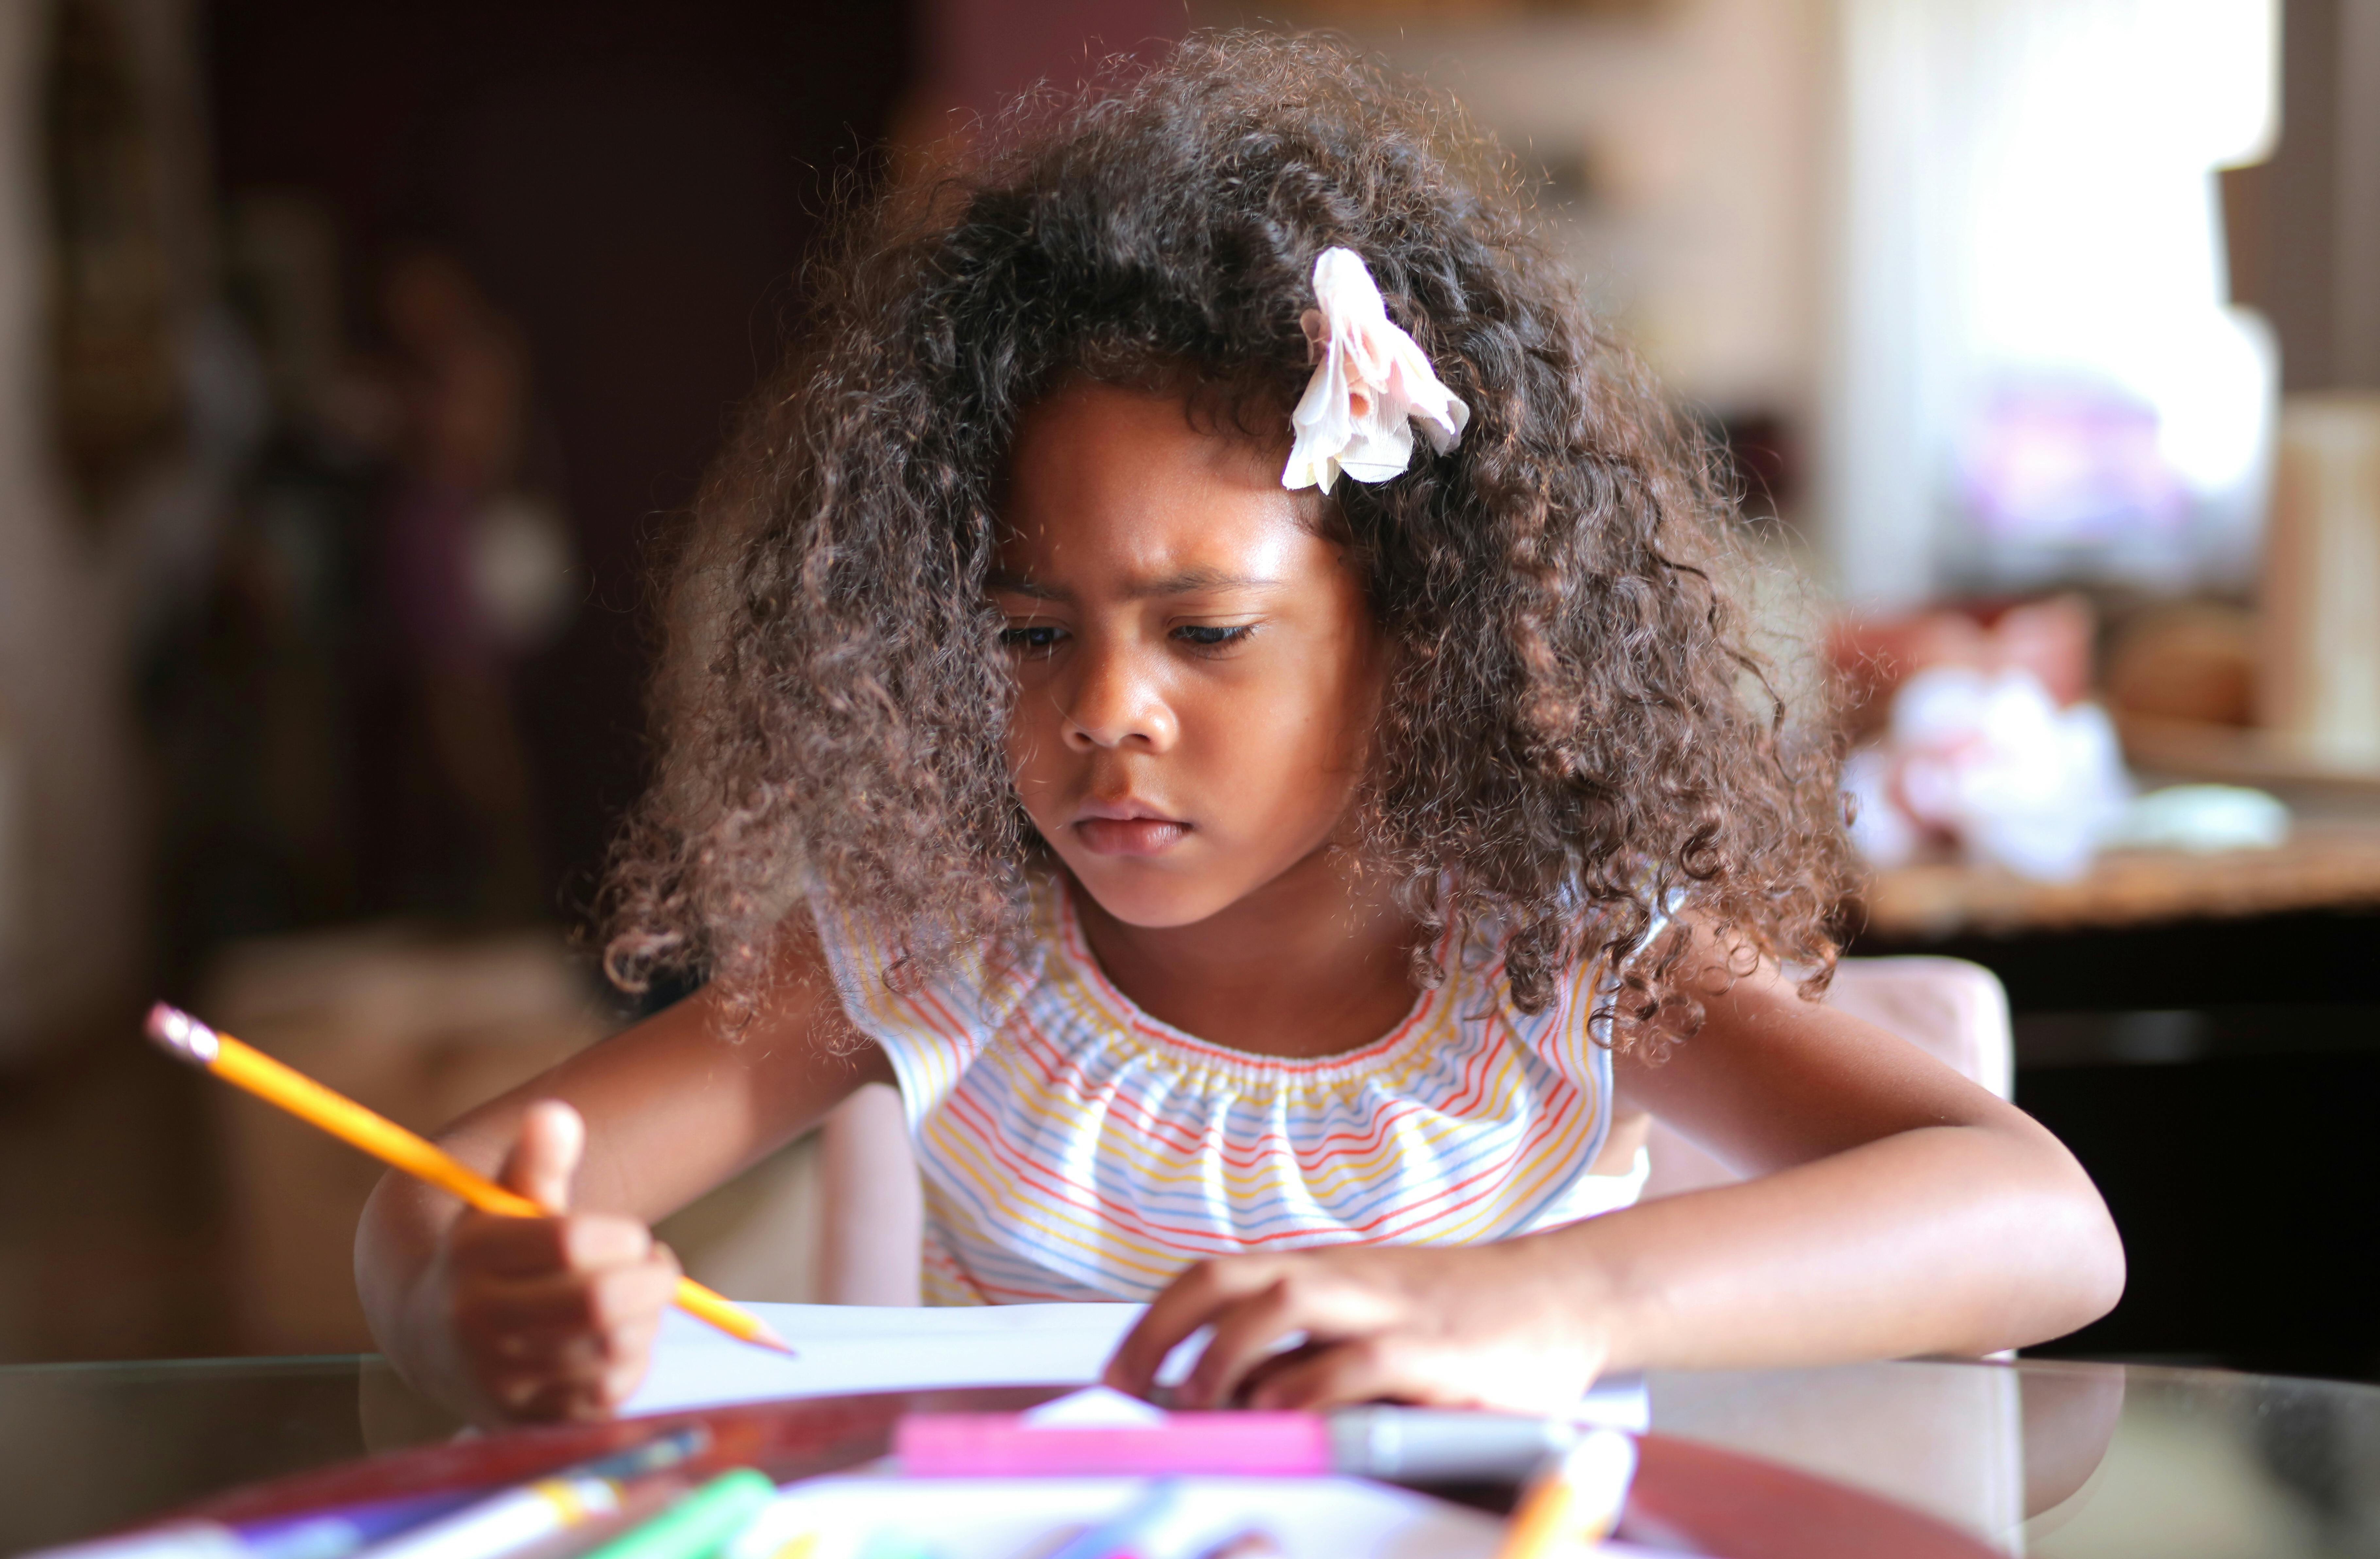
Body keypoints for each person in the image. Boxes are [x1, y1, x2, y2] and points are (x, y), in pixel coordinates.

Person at [357, 33, 2123, 1425]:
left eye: (1206, 633)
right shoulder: (932, 948)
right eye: (1026, 633)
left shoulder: (1561, 957)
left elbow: (2042, 1218)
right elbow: (433, 1202)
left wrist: (1544, 1300)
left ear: (1418, 636)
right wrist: (472, 1303)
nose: (1101, 711)